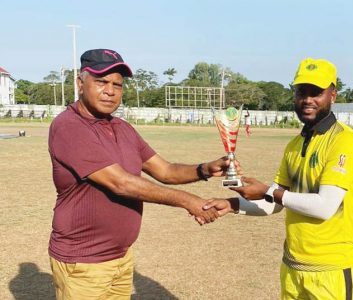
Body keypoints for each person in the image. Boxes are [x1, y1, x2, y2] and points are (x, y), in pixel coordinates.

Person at [48, 48, 233, 299]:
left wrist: (205, 169)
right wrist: (189, 202)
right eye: (101, 81)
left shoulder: (122, 128)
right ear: (81, 83)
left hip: (121, 257)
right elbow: (120, 183)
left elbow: (165, 170)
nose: (110, 91)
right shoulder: (69, 127)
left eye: (117, 84)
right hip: (83, 263)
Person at [205, 58, 353, 300]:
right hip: (292, 267)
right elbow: (275, 203)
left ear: (333, 95)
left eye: (316, 92)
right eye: (301, 92)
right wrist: (232, 204)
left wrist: (268, 190)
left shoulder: (344, 141)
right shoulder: (294, 145)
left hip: (330, 271)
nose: (307, 99)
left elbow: (324, 207)